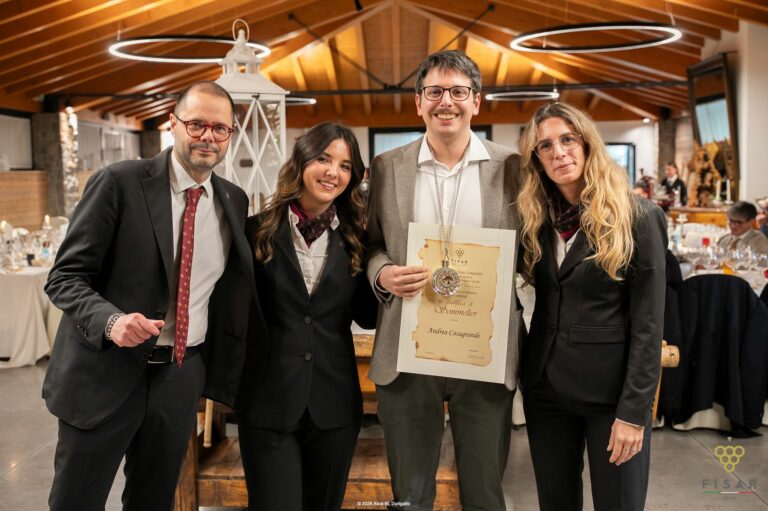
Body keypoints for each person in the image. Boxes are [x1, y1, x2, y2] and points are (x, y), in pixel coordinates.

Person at [43, 81, 267, 511]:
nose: (207, 137)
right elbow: (65, 277)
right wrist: (111, 321)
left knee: (154, 501)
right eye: (196, 124)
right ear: (173, 123)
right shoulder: (119, 182)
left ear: (230, 135)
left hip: (178, 377)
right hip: (105, 371)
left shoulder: (233, 201)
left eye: (219, 128)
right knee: (76, 501)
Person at [366, 50, 524, 510]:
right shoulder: (387, 166)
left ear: (476, 101)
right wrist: (384, 273)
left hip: (484, 352)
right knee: (410, 496)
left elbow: (530, 251)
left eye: (458, 91)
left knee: (485, 493)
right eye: (434, 91)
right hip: (409, 349)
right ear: (418, 102)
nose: (446, 102)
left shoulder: (512, 167)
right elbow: (370, 245)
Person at [516, 102, 667, 511]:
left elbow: (649, 324)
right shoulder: (535, 218)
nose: (559, 152)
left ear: (587, 144)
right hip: (545, 389)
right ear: (536, 158)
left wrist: (634, 412)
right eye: (546, 145)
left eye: (568, 139)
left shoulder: (638, 216)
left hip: (611, 395)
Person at [235, 122, 378, 510]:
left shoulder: (356, 239)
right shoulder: (255, 232)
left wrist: (390, 274)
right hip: (267, 403)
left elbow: (367, 316)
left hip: (334, 406)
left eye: (345, 166)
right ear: (301, 161)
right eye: (324, 159)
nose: (333, 173)